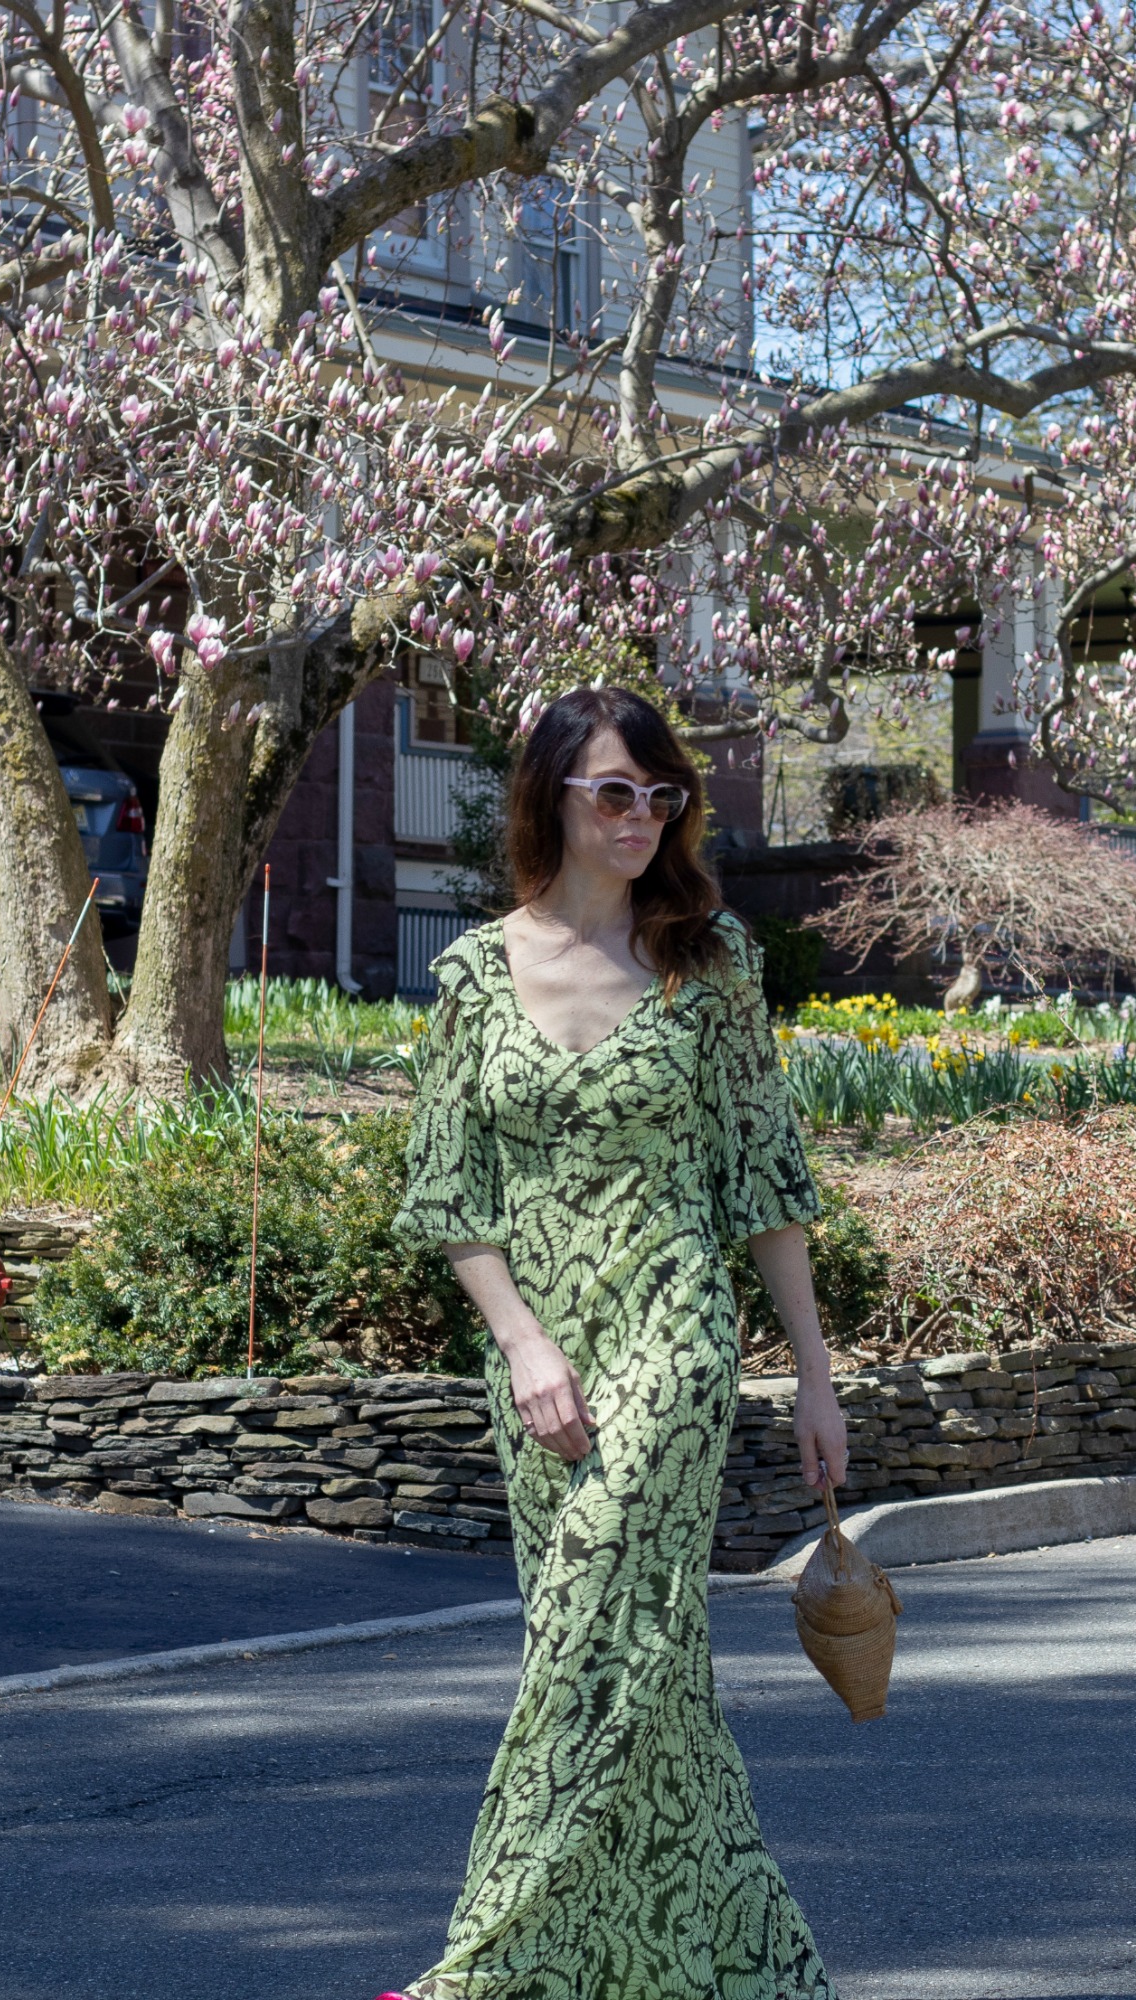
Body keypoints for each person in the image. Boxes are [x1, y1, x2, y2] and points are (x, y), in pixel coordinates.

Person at [383, 684, 849, 2000]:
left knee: (601, 1609)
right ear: (555, 800)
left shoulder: (713, 968)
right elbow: (448, 1191)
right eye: (613, 792)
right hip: (541, 1351)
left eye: (662, 796)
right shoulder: (477, 973)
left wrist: (813, 1375)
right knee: (626, 1652)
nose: (641, 817)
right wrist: (525, 1344)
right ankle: (715, 1964)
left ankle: (480, 1963)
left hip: (673, 1330)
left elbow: (766, 1182)